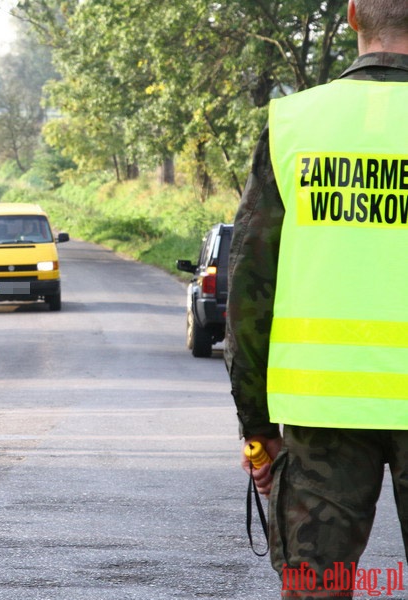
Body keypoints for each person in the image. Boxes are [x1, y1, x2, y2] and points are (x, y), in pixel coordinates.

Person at [226, 1, 408, 597]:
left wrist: (257, 434)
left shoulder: (292, 126)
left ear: (353, 15)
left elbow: (249, 287)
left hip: (321, 418)